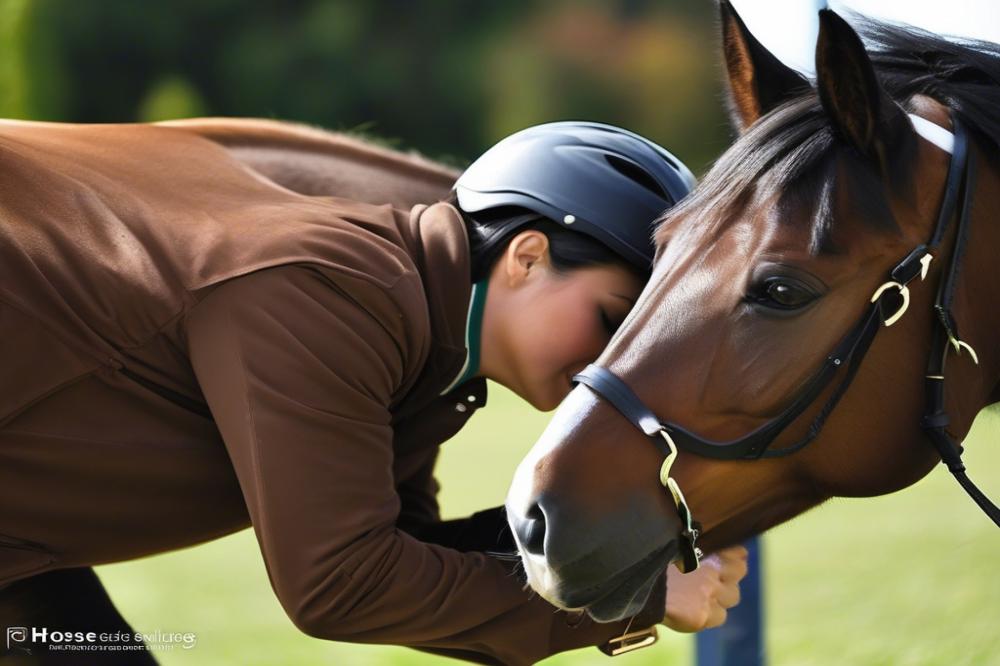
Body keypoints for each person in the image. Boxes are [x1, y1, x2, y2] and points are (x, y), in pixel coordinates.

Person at [0, 118, 747, 664]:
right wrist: (627, 604)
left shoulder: (427, 349)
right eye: (611, 322)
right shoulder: (337, 295)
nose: (611, 365)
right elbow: (341, 582)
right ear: (526, 255)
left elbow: (404, 553)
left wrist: (622, 560)